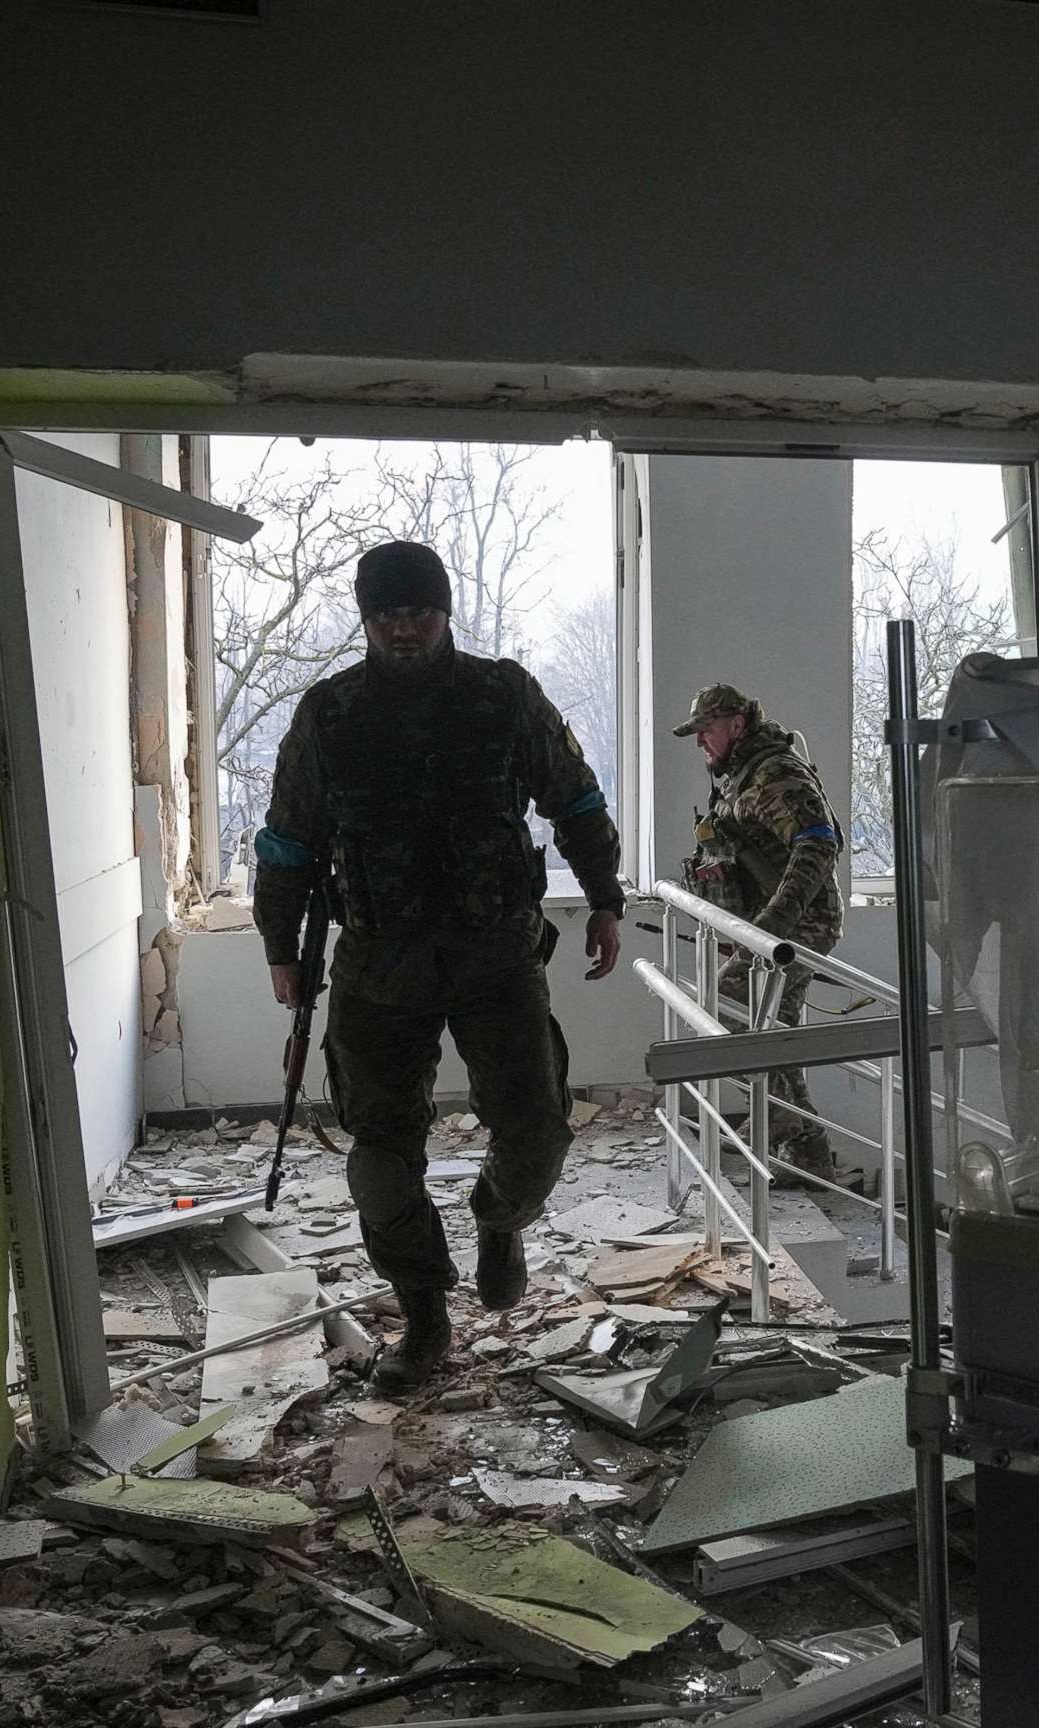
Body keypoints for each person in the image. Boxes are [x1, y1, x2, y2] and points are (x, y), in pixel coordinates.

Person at [255, 541, 623, 1392]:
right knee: (379, 1160)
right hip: (380, 967)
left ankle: (500, 1219)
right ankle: (424, 1317)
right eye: (387, 614)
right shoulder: (331, 715)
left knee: (535, 1131)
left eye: (419, 611)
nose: (404, 629)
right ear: (366, 618)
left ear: (445, 611)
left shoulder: (502, 696)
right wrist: (281, 947)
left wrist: (605, 895)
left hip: (496, 955)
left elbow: (574, 795)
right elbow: (288, 841)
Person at [676, 683, 846, 1184]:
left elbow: (818, 845)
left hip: (799, 924)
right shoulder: (735, 777)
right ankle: (810, 1151)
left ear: (737, 724)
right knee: (777, 1033)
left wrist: (772, 925)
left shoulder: (777, 773)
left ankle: (779, 1113)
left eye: (707, 731)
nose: (701, 742)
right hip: (766, 923)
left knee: (727, 1000)